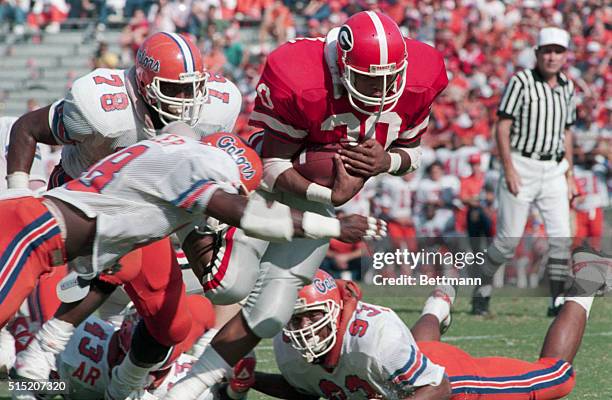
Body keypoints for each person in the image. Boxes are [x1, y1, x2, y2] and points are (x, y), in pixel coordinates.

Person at [164, 11, 446, 399]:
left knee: (269, 314)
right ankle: (195, 221)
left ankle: (185, 389)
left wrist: (386, 162)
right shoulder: (300, 76)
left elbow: (411, 154)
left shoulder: (422, 76)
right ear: (343, 64)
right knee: (229, 286)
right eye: (368, 78)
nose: (381, 90)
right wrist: (328, 196)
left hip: (321, 198)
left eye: (389, 77)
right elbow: (270, 164)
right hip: (266, 185)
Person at [0, 131, 381, 396]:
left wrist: (46, 346)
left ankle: (42, 356)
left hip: (47, 239)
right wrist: (333, 226)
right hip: (31, 232)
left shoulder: (171, 154)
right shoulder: (201, 163)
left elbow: (107, 269)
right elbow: (247, 215)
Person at [6, 31, 241, 400]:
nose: (186, 102)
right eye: (173, 90)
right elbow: (27, 128)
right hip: (76, 214)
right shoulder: (103, 107)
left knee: (173, 326)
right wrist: (19, 200)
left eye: (191, 89)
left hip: (145, 221)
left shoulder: (217, 108)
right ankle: (36, 367)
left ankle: (124, 386)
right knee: (29, 334)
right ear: (145, 84)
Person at [241, 250, 607, 400]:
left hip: (454, 383)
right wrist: (250, 378)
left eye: (313, 317)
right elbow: (306, 389)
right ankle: (441, 298)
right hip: (410, 366)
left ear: (336, 312)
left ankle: (587, 280)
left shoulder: (374, 334)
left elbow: (438, 385)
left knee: (558, 378)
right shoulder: (287, 345)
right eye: (296, 319)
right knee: (414, 353)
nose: (303, 328)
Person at [471, 27, 578, 317]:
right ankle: (482, 287)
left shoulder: (568, 86)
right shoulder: (521, 81)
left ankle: (555, 303)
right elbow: (502, 125)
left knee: (561, 237)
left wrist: (569, 174)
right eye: (547, 51)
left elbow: (567, 131)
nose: (552, 57)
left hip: (555, 167)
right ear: (538, 54)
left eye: (558, 51)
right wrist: (509, 168)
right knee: (507, 242)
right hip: (522, 163)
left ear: (565, 55)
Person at [57, 295, 214, 400]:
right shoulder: (74, 339)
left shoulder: (187, 381)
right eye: (120, 356)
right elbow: (35, 382)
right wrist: (57, 386)